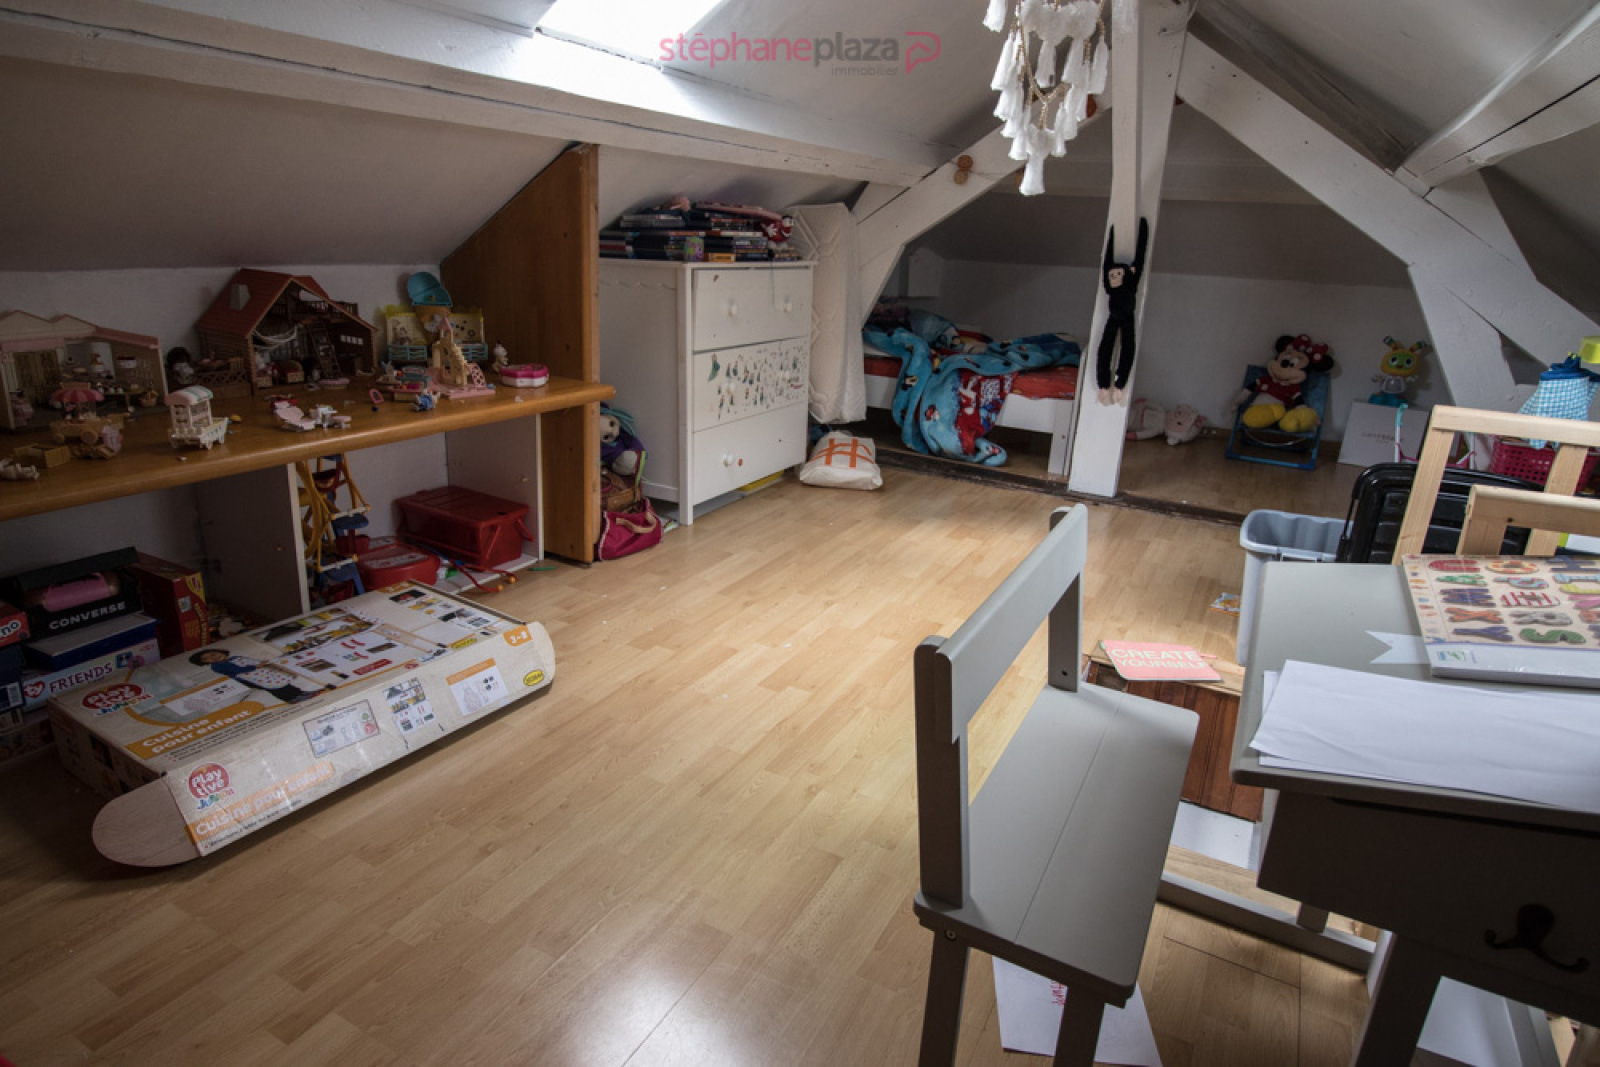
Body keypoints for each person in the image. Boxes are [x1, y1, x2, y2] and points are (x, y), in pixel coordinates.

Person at [1096, 217, 1149, 406]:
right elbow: (1106, 261)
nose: (1114, 277)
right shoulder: (1110, 286)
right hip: (1115, 317)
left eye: (1118, 274)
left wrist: (1143, 230)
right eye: (1112, 275)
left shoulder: (1130, 284)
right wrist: (1110, 236)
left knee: (1127, 349)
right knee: (1105, 349)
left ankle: (1119, 384)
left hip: (1126, 317)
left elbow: (1140, 257)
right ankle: (1104, 384)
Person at [189, 649, 326, 703]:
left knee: (281, 682)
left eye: (213, 654)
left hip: (261, 673)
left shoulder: (234, 657)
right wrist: (256, 666)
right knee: (274, 687)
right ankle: (292, 698)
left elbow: (249, 661)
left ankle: (300, 693)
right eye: (207, 659)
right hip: (251, 677)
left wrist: (261, 663)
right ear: (205, 663)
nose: (213, 658)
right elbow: (238, 670)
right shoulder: (218, 666)